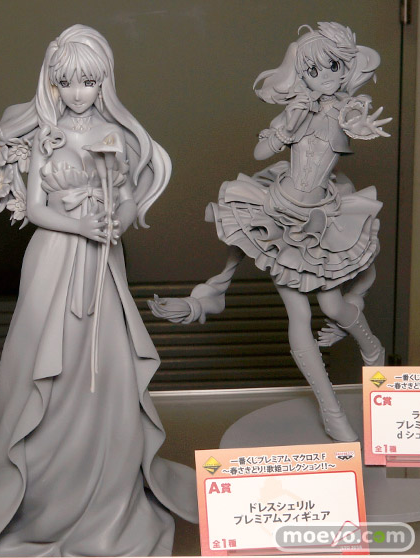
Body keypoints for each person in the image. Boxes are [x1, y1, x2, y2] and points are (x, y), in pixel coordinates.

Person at [0, 24, 197, 557]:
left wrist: (117, 218)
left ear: (104, 80)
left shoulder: (118, 134)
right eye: (66, 82)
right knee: (48, 362)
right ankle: (41, 473)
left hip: (102, 260)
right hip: (54, 257)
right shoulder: (46, 137)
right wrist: (81, 225)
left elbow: (130, 196)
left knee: (105, 364)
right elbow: (37, 209)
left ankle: (101, 470)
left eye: (88, 82)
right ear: (52, 82)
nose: (77, 93)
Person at [150, 22, 390, 442]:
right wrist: (287, 126)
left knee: (332, 305)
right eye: (313, 70)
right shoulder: (296, 109)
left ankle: (372, 348)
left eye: (334, 66)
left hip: (320, 216)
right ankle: (332, 411)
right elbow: (261, 151)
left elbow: (355, 118)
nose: (325, 76)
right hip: (280, 211)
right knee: (299, 314)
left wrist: (359, 125)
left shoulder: (347, 107)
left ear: (346, 66)